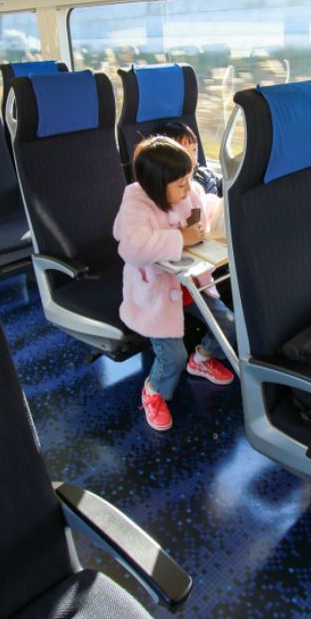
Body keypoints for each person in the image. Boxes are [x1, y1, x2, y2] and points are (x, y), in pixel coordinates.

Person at [113, 136, 236, 432]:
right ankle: (154, 390)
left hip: (191, 284)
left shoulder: (188, 190)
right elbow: (132, 246)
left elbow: (204, 210)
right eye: (180, 183)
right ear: (155, 186)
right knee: (172, 358)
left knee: (228, 326)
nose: (188, 187)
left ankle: (202, 358)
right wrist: (181, 239)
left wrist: (222, 218)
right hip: (155, 294)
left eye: (188, 180)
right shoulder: (136, 206)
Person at [153, 120, 222, 196]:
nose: (192, 157)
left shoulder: (205, 174)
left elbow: (222, 186)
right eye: (184, 153)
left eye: (194, 150)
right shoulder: (173, 189)